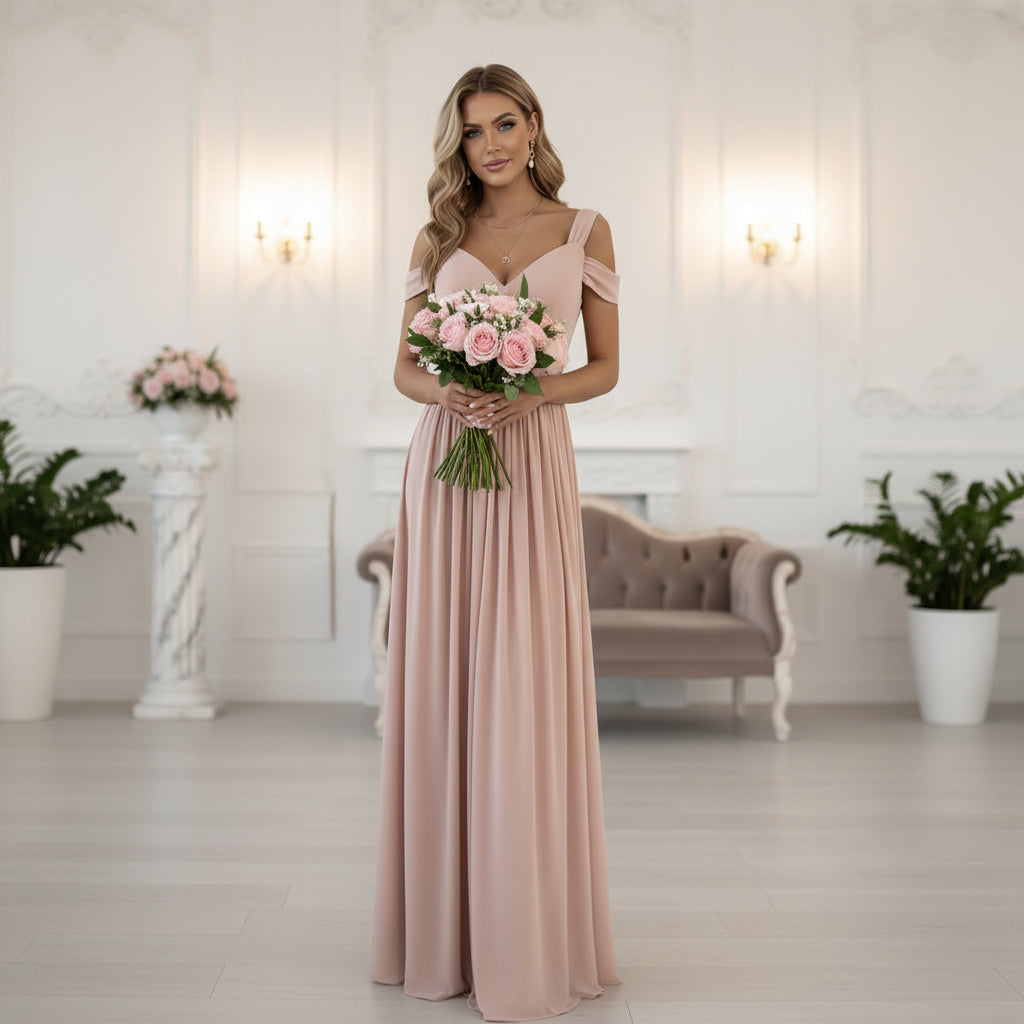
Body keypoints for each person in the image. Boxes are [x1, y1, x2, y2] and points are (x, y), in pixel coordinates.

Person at [372, 63, 622, 1022]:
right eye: (474, 131)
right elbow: (402, 364)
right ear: (460, 144)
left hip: (530, 461)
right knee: (446, 680)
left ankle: (525, 930)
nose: (494, 144)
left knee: (521, 679)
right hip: (446, 462)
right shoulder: (439, 235)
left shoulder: (583, 228)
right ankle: (444, 932)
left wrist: (524, 393)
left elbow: (602, 369)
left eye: (506, 122)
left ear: (533, 124)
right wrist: (453, 390)